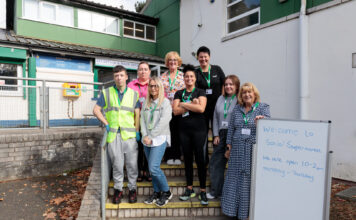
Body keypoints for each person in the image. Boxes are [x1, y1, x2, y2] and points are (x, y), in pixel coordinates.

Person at [221, 82, 270, 219]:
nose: (247, 95)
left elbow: (270, 124)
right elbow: (231, 128)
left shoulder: (263, 108)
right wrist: (228, 145)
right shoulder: (237, 109)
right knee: (233, 179)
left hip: (252, 151)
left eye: (250, 92)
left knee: (247, 181)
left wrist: (263, 121)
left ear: (255, 94)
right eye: (244, 92)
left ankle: (246, 213)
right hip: (236, 150)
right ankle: (231, 211)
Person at [93, 65, 140, 204]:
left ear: (126, 77)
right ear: (114, 78)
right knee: (117, 166)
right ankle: (118, 190)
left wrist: (137, 131)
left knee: (132, 165)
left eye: (121, 75)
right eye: (116, 76)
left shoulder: (133, 93)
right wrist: (106, 123)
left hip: (130, 136)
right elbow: (96, 110)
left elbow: (137, 114)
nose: (118, 78)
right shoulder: (107, 92)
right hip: (114, 135)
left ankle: (132, 190)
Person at [173, 64, 209, 205]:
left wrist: (183, 104)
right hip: (184, 131)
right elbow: (175, 111)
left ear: (195, 78)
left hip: (199, 131)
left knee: (201, 160)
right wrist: (190, 103)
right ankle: (189, 188)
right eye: (186, 76)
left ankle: (203, 190)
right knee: (187, 159)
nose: (189, 78)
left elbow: (201, 108)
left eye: (191, 76)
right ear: (184, 78)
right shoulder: (178, 93)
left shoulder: (201, 92)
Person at [140, 77, 173, 207]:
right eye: (151, 86)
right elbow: (142, 120)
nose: (153, 88)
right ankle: (157, 191)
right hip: (147, 139)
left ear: (160, 87)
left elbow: (164, 122)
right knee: (151, 168)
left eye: (156, 86)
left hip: (159, 138)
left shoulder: (165, 103)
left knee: (153, 167)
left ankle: (167, 191)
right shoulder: (146, 103)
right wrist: (144, 135)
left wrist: (151, 136)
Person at [207, 75, 240, 200]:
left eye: (231, 84)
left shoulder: (239, 100)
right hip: (221, 134)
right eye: (226, 84)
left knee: (234, 165)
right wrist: (215, 134)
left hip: (235, 134)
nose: (228, 86)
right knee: (216, 164)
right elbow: (215, 117)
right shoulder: (220, 98)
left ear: (236, 86)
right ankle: (217, 191)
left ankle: (232, 194)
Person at [195, 46, 225, 163]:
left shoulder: (217, 69)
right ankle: (204, 158)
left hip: (217, 107)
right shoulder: (196, 72)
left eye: (205, 57)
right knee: (203, 133)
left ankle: (218, 157)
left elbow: (224, 83)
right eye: (201, 57)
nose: (203, 59)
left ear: (209, 57)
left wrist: (222, 98)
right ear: (198, 58)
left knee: (217, 132)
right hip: (202, 109)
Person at [160, 51, 185, 165]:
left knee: (178, 133)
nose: (173, 62)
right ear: (167, 62)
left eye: (175, 60)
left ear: (178, 62)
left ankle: (177, 156)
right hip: (166, 110)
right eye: (170, 60)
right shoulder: (162, 77)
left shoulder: (183, 76)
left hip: (179, 109)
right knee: (168, 133)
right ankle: (169, 156)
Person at [128, 61, 151, 182]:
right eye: (141, 69)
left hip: (149, 120)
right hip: (134, 120)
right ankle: (138, 171)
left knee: (148, 145)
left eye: (145, 69)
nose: (143, 71)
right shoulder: (131, 85)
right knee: (137, 147)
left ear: (149, 71)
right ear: (137, 71)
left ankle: (147, 170)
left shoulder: (153, 84)